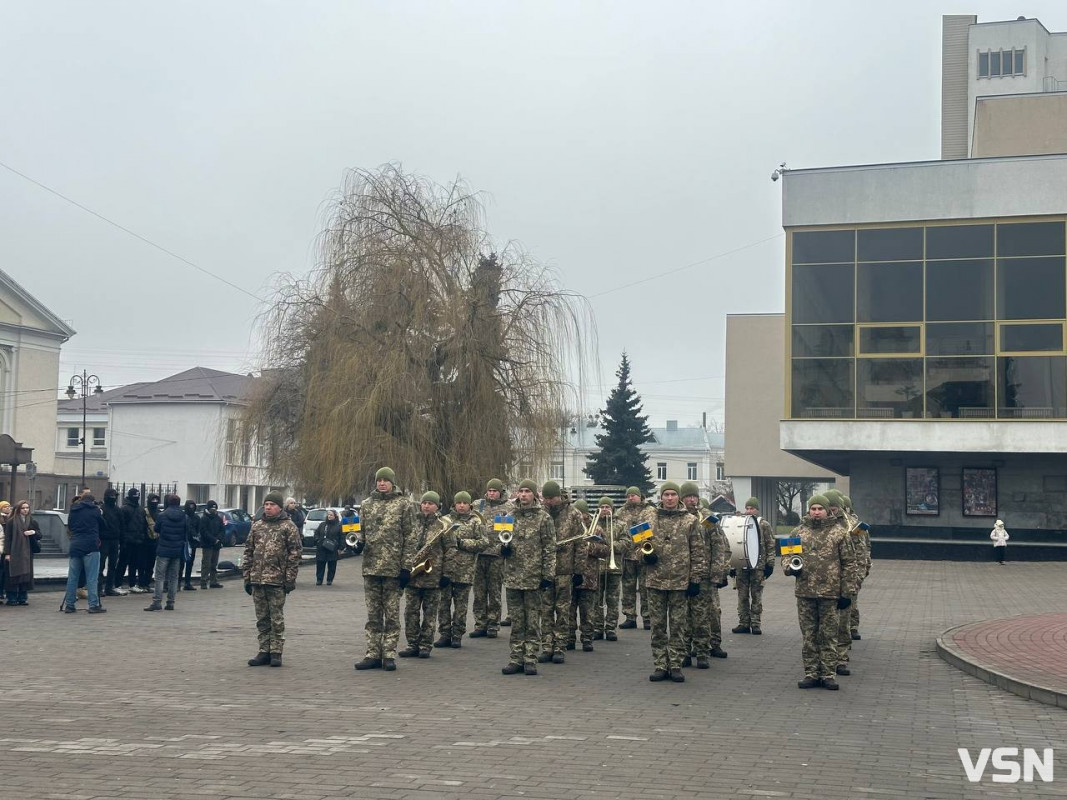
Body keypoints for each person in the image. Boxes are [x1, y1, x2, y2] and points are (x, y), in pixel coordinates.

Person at [785, 494, 858, 691]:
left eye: (820, 509)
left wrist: (847, 593)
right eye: (813, 509)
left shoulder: (839, 533)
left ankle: (828, 674)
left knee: (828, 634)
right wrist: (791, 567)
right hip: (805, 592)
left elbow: (850, 564)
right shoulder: (797, 532)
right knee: (809, 635)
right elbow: (787, 557)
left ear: (827, 511)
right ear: (809, 510)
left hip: (830, 593)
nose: (816, 512)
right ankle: (811, 673)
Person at [643, 482, 708, 683]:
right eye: (666, 495)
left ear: (678, 497)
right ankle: (661, 665)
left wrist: (696, 578)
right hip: (655, 581)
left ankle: (676, 664)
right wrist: (645, 556)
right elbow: (637, 544)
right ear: (661, 497)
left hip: (680, 582)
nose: (669, 498)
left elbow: (698, 552)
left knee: (678, 626)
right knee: (658, 626)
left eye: (673, 494)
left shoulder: (690, 521)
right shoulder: (648, 517)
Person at [353, 467, 416, 672]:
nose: (381, 483)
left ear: (392, 483)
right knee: (373, 614)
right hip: (371, 568)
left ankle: (389, 653)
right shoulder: (367, 505)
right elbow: (360, 532)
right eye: (379, 480)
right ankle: (372, 654)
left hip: (393, 569)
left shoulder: (403, 504)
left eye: (385, 480)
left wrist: (406, 567)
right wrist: (357, 544)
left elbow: (410, 537)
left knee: (391, 614)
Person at [499, 479, 555, 676]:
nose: (523, 495)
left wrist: (548, 574)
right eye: (521, 491)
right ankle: (516, 658)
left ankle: (530, 658)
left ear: (534, 495)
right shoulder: (508, 516)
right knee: (516, 621)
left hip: (534, 578)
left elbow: (549, 548)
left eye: (527, 492)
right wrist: (503, 549)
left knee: (532, 621)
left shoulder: (544, 518)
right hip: (513, 576)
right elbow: (500, 541)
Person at [243, 491, 302, 667]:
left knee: (276, 617)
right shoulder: (257, 526)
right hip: (257, 580)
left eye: (272, 505)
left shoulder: (288, 526)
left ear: (279, 507)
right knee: (262, 618)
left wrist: (289, 578)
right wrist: (247, 576)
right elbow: (248, 551)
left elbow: (295, 553)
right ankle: (263, 650)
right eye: (266, 504)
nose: (268, 508)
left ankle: (276, 651)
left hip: (277, 580)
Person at [679, 483, 728, 668]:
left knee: (702, 615)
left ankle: (702, 652)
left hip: (704, 574)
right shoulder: (677, 516)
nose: (692, 500)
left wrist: (718, 573)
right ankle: (684, 651)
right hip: (681, 574)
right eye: (688, 497)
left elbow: (719, 545)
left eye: (694, 496)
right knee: (683, 616)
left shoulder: (708, 517)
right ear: (682, 498)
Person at [401, 491, 456, 658]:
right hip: (412, 576)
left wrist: (447, 574)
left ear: (437, 506)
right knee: (410, 613)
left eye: (430, 503)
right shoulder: (412, 522)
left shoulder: (443, 526)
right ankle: (412, 644)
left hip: (433, 576)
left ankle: (425, 645)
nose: (426, 505)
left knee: (430, 614)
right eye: (424, 502)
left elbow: (451, 550)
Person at [539, 481, 586, 665]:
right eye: (546, 498)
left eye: (552, 498)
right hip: (545, 571)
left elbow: (581, 544)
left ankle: (560, 647)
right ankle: (547, 646)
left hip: (565, 570)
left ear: (559, 496)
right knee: (546, 610)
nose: (549, 501)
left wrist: (579, 570)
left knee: (563, 609)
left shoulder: (573, 514)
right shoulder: (541, 513)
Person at [436, 491, 490, 647]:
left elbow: (484, 543)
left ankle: (457, 635)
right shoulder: (445, 521)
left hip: (464, 571)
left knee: (461, 606)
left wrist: (462, 543)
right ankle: (445, 633)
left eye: (464, 503)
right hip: (446, 569)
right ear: (454, 505)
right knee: (443, 604)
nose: (461, 505)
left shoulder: (476, 522)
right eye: (458, 503)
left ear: (470, 505)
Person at [471, 479, 510, 639]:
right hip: (479, 554)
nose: (492, 493)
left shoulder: (508, 508)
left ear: (501, 491)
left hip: (496, 555)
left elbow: (508, 532)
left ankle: (493, 624)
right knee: (479, 592)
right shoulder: (478, 505)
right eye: (490, 490)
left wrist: (505, 548)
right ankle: (480, 624)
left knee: (494, 592)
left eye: (495, 490)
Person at [732, 497, 776, 636]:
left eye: (752, 508)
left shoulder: (763, 524)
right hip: (742, 565)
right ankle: (744, 623)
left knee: (756, 595)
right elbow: (734, 542)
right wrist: (732, 564)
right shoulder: (740, 522)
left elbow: (770, 544)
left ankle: (756, 623)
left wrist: (770, 563)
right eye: (748, 508)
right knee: (742, 595)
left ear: (757, 510)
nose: (749, 511)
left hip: (758, 565)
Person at [574, 503, 610, 652]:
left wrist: (589, 547)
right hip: (572, 574)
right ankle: (569, 637)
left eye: (581, 514)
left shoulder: (597, 529)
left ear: (587, 514)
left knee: (588, 611)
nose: (580, 517)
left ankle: (587, 638)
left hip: (589, 576)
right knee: (569, 610)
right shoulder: (572, 528)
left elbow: (606, 550)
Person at [61, 495, 107, 614]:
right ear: (92, 501)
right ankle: (93, 605)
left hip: (75, 545)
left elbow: (70, 526)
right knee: (92, 578)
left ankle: (69, 605)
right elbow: (104, 526)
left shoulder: (74, 510)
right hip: (91, 545)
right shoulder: (95, 510)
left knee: (73, 577)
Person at [145, 494, 189, 611]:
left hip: (164, 549)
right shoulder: (184, 516)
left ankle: (157, 602)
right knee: (174, 577)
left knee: (159, 577)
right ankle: (170, 602)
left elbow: (156, 529)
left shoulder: (162, 515)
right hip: (177, 550)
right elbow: (186, 531)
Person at [617, 486, 653, 630]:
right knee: (628, 588)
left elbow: (654, 530)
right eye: (628, 496)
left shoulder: (649, 511)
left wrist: (639, 535)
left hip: (644, 555)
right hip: (627, 556)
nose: (631, 498)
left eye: (633, 495)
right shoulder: (620, 512)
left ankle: (648, 617)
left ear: (640, 496)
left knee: (646, 588)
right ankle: (630, 616)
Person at [842, 496, 870, 640]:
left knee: (851, 601)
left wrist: (862, 571)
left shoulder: (854, 526)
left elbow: (864, 549)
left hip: (849, 573)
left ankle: (851, 627)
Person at [4, 501, 41, 606]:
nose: (25, 510)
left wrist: (33, 532)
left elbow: (39, 534)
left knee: (25, 575)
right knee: (13, 574)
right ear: (18, 509)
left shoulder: (32, 521)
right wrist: (8, 553)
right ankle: (11, 598)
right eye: (23, 508)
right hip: (14, 552)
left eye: (27, 508)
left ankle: (22, 598)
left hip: (27, 552)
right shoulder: (11, 521)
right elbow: (8, 538)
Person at [118, 488, 149, 593]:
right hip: (128, 541)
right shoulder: (125, 509)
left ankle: (132, 584)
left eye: (138, 495)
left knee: (134, 564)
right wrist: (123, 540)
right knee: (123, 563)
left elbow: (143, 525)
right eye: (135, 495)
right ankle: (118, 584)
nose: (137, 497)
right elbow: (122, 526)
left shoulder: (140, 509)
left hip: (138, 541)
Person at [99, 489, 126, 596]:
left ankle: (109, 587)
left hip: (114, 540)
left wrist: (122, 541)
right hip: (104, 540)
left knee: (112, 565)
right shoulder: (101, 509)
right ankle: (99, 588)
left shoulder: (117, 510)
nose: (113, 498)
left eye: (115, 496)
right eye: (112, 496)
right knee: (101, 565)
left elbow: (122, 526)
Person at [198, 501, 225, 588]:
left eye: (215, 508)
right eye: (212, 508)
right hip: (207, 544)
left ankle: (213, 581)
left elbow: (222, 530)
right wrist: (213, 539)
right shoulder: (204, 519)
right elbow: (203, 532)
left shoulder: (218, 518)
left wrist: (218, 539)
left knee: (214, 564)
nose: (213, 510)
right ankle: (203, 581)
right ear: (208, 509)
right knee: (206, 564)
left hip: (216, 545)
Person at [314, 509, 343, 585]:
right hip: (321, 548)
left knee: (332, 565)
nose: (329, 516)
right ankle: (319, 579)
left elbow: (342, 537)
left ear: (335, 516)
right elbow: (316, 533)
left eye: (331, 515)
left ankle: (329, 580)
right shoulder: (322, 524)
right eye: (328, 515)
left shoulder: (339, 525)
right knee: (320, 564)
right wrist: (317, 540)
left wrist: (340, 548)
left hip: (332, 549)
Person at [180, 500, 199, 591]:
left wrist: (196, 537)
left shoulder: (196, 518)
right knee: (180, 564)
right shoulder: (183, 516)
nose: (191, 508)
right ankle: (178, 582)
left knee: (190, 564)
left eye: (193, 506)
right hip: (184, 543)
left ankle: (187, 583)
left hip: (192, 544)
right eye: (190, 506)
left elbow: (199, 530)